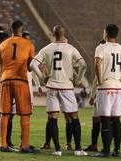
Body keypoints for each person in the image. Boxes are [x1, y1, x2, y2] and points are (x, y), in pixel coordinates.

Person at [30, 25, 87, 156]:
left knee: (52, 117)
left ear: (52, 35)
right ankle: (78, 149)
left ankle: (57, 149)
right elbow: (84, 65)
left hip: (52, 87)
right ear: (64, 34)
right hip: (66, 87)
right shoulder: (70, 48)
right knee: (74, 117)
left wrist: (42, 77)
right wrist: (78, 80)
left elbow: (33, 64)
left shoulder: (46, 49)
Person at [93, 24, 121, 157]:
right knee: (116, 119)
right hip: (118, 87)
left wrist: (100, 81)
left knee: (105, 119)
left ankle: (106, 150)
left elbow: (97, 63)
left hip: (106, 86)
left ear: (105, 33)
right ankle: (116, 150)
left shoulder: (101, 47)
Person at [0, 20, 35, 153]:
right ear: (21, 30)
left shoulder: (2, 44)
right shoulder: (28, 44)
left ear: (11, 29)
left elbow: (1, 64)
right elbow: (30, 67)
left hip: (5, 79)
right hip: (21, 80)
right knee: (25, 114)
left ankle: (3, 144)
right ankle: (24, 146)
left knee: (4, 113)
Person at [84, 40, 106, 152]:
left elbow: (97, 80)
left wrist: (92, 96)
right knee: (100, 120)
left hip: (103, 91)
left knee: (102, 120)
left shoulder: (102, 60)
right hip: (111, 91)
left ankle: (102, 146)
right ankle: (96, 145)